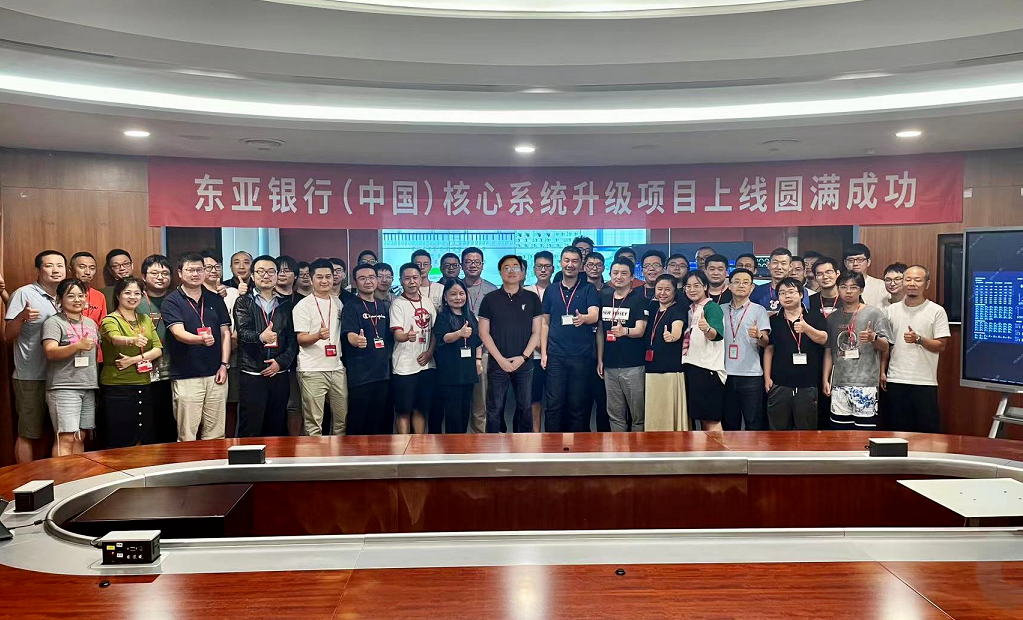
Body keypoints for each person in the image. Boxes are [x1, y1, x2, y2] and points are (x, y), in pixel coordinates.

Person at [163, 252, 232, 441]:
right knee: (187, 434)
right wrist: (200, 340)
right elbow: (178, 332)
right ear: (180, 273)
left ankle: (215, 461)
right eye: (190, 270)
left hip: (216, 374)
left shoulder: (215, 299)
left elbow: (225, 333)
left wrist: (224, 365)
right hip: (186, 375)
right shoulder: (172, 301)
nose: (195, 274)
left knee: (216, 433)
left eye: (199, 270)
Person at [6, 250, 67, 462]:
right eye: (49, 265)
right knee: (28, 432)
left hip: (61, 376)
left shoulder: (66, 295)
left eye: (60, 265)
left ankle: (46, 476)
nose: (56, 270)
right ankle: (26, 479)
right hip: (31, 376)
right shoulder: (24, 294)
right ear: (38, 270)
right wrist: (21, 318)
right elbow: (7, 335)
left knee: (53, 432)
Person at [233, 255, 297, 437]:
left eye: (270, 272)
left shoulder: (286, 305)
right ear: (253, 276)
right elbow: (243, 332)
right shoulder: (243, 301)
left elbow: (292, 339)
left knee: (277, 425)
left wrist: (281, 362)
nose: (266, 275)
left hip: (279, 373)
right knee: (251, 426)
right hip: (253, 372)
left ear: (276, 275)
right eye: (260, 271)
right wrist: (261, 337)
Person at [882, 265, 950, 432]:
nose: (912, 284)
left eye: (917, 280)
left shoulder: (936, 311)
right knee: (895, 432)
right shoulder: (890, 311)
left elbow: (941, 345)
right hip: (895, 379)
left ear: (927, 284)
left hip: (924, 381)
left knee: (926, 434)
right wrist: (882, 371)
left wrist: (919, 339)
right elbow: (886, 346)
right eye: (908, 279)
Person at [479, 255, 542, 433]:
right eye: (506, 267)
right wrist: (501, 360)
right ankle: (492, 446)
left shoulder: (532, 298)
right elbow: (484, 333)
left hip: (524, 363)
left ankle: (523, 446)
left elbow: (536, 332)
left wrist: (523, 357)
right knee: (494, 409)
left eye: (515, 267)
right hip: (497, 363)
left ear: (522, 272)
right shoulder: (490, 299)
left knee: (525, 408)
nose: (511, 271)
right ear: (500, 272)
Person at [99, 276, 163, 448]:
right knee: (121, 437)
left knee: (145, 435)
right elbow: (114, 339)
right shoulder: (110, 319)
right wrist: (132, 340)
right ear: (118, 295)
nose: (133, 297)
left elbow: (158, 349)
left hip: (144, 383)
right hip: (118, 386)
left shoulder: (145, 319)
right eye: (127, 293)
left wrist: (134, 360)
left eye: (137, 293)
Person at [822, 271, 892, 429]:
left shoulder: (873, 313)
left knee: (864, 432)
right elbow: (829, 351)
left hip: (865, 383)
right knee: (840, 431)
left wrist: (873, 338)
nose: (848, 291)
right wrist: (826, 379)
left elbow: (885, 346)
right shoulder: (833, 318)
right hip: (839, 383)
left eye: (853, 287)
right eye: (843, 287)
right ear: (838, 289)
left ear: (861, 290)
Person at [541, 246, 600, 432]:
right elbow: (545, 323)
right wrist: (544, 353)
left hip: (581, 356)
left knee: (578, 405)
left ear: (581, 265)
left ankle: (579, 446)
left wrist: (584, 319)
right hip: (555, 356)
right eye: (566, 260)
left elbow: (595, 315)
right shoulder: (551, 290)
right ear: (560, 263)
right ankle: (551, 444)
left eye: (575, 261)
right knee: (554, 404)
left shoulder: (588, 288)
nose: (570, 264)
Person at [42, 278, 99, 456]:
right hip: (64, 387)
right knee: (65, 437)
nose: (77, 300)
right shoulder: (54, 322)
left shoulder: (90, 323)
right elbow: (50, 352)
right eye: (71, 296)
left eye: (81, 295)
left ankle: (77, 473)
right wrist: (77, 346)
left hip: (88, 386)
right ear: (60, 299)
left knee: (80, 436)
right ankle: (62, 475)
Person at [293, 259, 348, 436]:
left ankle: (338, 453)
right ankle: (315, 454)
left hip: (336, 368)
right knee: (314, 423)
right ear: (311, 279)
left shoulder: (338, 303)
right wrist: (317, 336)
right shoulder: (303, 306)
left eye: (328, 276)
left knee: (341, 420)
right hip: (312, 370)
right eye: (319, 277)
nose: (324, 281)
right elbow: (301, 339)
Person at [764, 278, 827, 430]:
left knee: (806, 431)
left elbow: (824, 339)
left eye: (791, 292)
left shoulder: (814, 316)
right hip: (779, 383)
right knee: (778, 431)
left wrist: (807, 328)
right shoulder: (774, 320)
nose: (787, 296)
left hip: (807, 383)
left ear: (801, 295)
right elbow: (769, 349)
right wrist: (767, 377)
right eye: (782, 293)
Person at [597, 258, 649, 431]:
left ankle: (638, 447)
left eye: (624, 273)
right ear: (610, 275)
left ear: (632, 277)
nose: (619, 277)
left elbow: (640, 330)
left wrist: (624, 331)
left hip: (633, 365)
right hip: (610, 365)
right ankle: (618, 447)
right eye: (615, 273)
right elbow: (600, 331)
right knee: (615, 414)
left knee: (638, 416)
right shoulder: (604, 298)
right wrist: (600, 359)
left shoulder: (639, 299)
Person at [341, 263, 393, 435]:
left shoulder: (381, 305)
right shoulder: (351, 305)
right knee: (358, 421)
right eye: (362, 278)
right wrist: (356, 340)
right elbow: (349, 334)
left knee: (377, 421)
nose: (368, 281)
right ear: (355, 282)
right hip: (361, 374)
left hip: (382, 373)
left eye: (371, 277)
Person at [721, 268, 771, 431]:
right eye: (736, 282)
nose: (741, 285)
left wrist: (758, 335)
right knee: (729, 423)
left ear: (752, 287)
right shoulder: (720, 309)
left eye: (745, 282)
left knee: (753, 423)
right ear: (729, 285)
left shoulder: (759, 310)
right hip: (725, 374)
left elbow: (765, 343)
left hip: (751, 375)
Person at [390, 262, 437, 434]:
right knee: (403, 411)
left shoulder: (428, 302)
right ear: (401, 281)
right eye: (407, 278)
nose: (412, 282)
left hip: (426, 365)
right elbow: (397, 334)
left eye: (415, 278)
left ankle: (419, 446)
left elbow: (435, 331)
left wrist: (430, 352)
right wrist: (406, 336)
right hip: (404, 366)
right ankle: (404, 445)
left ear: (421, 279)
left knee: (420, 409)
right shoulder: (398, 304)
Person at [432, 279, 483, 433]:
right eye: (453, 294)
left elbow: (478, 342)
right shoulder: (443, 316)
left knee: (464, 412)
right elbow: (443, 338)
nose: (458, 297)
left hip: (468, 372)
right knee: (453, 414)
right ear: (445, 297)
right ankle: (452, 445)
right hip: (450, 373)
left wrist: (478, 361)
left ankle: (462, 444)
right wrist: (459, 333)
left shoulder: (470, 316)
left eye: (461, 293)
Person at [137, 254, 176, 443]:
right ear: (144, 276)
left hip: (175, 366)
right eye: (154, 273)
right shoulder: (136, 300)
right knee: (147, 418)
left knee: (171, 418)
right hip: (145, 367)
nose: (160, 277)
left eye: (165, 273)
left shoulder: (177, 298)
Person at [680, 270, 725, 432]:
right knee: (701, 419)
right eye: (688, 286)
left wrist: (707, 329)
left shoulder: (711, 308)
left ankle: (717, 448)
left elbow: (715, 335)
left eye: (696, 285)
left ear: (705, 286)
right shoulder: (690, 309)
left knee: (711, 420)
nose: (692, 289)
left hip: (708, 370)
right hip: (693, 367)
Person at [201, 249, 240, 426]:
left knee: (231, 402)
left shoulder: (233, 293)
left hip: (233, 353)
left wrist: (234, 339)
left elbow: (240, 322)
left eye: (217, 266)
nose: (213, 270)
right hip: (205, 354)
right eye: (208, 267)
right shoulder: (194, 293)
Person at [644, 274, 688, 431]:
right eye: (659, 289)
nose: (662, 293)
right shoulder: (653, 308)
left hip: (670, 370)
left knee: (669, 412)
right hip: (651, 368)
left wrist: (673, 336)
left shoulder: (678, 309)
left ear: (675, 291)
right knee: (654, 411)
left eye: (667, 289)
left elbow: (677, 328)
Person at [462, 247, 498, 432]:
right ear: (462, 265)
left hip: (483, 352)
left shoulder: (492, 290)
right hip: (457, 352)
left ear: (483, 265)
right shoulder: (454, 287)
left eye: (477, 262)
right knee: (458, 402)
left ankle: (480, 439)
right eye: (468, 262)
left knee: (481, 400)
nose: (473, 265)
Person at [524, 250, 554, 431]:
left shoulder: (559, 290)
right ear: (534, 269)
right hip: (532, 356)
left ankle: (552, 436)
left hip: (556, 354)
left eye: (547, 266)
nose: (543, 270)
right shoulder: (524, 292)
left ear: (553, 268)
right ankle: (535, 435)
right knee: (533, 398)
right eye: (539, 266)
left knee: (555, 398)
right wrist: (537, 345)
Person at [69, 253, 108, 358]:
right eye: (82, 267)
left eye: (92, 268)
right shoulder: (62, 295)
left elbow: (102, 326)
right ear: (70, 269)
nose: (87, 272)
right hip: (68, 352)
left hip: (94, 353)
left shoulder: (99, 296)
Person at [751, 248, 810, 314]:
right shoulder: (757, 290)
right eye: (775, 263)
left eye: (783, 263)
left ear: (790, 267)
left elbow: (803, 314)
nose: (779, 267)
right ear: (768, 265)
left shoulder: (799, 290)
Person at [843, 243, 887, 307]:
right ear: (845, 263)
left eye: (860, 260)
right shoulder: (840, 285)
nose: (855, 264)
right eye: (851, 260)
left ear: (868, 262)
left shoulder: (880, 285)